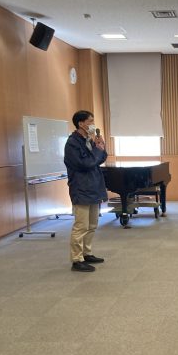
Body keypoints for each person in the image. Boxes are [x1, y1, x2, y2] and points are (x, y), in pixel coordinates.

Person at [64, 110, 107, 272]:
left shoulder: (88, 140)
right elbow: (85, 164)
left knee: (92, 224)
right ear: (81, 123)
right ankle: (77, 260)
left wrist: (101, 147)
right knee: (81, 225)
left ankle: (86, 253)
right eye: (90, 121)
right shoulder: (72, 143)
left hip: (93, 186)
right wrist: (97, 151)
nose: (93, 125)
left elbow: (99, 159)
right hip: (81, 188)